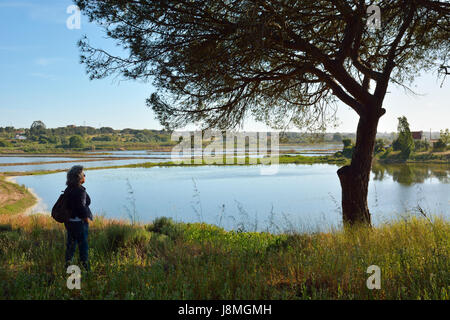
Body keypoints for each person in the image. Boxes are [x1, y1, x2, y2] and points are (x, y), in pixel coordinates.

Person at [64, 165, 93, 271]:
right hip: (79, 223)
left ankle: (67, 267)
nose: (85, 176)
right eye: (84, 175)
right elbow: (81, 207)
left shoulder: (68, 189)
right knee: (83, 247)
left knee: (70, 246)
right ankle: (86, 269)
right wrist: (86, 219)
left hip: (69, 222)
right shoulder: (80, 191)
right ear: (79, 177)